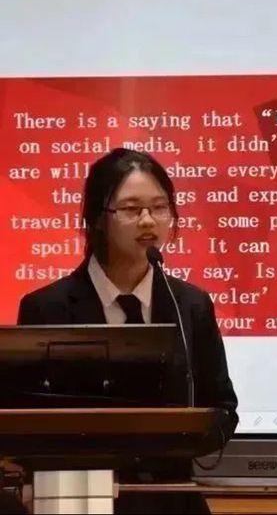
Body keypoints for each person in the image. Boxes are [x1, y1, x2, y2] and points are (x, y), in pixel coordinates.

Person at [17, 148, 238, 514]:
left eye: (160, 207)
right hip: (78, 501)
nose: (148, 221)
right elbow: (27, 422)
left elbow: (224, 407)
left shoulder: (191, 305)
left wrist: (185, 438)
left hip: (171, 500)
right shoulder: (47, 308)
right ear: (98, 218)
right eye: (132, 209)